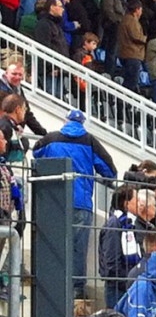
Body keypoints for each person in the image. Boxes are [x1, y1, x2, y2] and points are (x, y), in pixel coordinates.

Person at [33, 109, 116, 298]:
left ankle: (49, 285)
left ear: (65, 121)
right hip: (81, 203)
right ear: (82, 123)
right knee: (78, 248)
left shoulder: (50, 139)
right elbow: (110, 171)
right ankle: (77, 290)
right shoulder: (90, 141)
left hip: (54, 201)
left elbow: (36, 154)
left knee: (52, 243)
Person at [0, 61, 46, 135]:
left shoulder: (18, 89)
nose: (17, 77)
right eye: (14, 74)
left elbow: (27, 114)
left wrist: (43, 133)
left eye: (20, 74)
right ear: (6, 74)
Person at [116, 0, 146, 93]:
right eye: (141, 9)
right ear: (137, 9)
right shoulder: (131, 20)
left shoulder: (126, 19)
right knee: (131, 82)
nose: (141, 12)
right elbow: (136, 36)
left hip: (127, 53)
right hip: (132, 54)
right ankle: (123, 101)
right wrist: (145, 38)